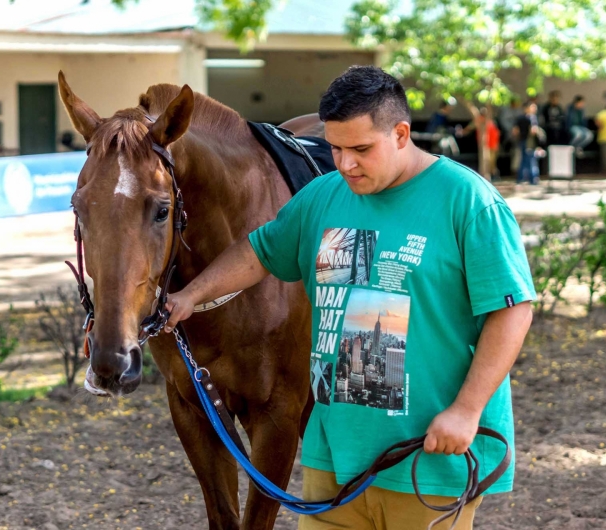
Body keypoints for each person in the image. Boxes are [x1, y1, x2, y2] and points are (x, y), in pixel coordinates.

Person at [163, 66, 534, 530]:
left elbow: (512, 309)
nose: (345, 164)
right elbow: (259, 252)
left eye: (361, 149)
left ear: (401, 134)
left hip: (426, 460)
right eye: (336, 148)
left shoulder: (467, 201)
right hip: (332, 455)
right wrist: (190, 295)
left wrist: (466, 411)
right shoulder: (324, 196)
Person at [514, 101, 543, 185]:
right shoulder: (532, 118)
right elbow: (533, 131)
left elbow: (515, 131)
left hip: (522, 141)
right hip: (529, 142)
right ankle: (533, 179)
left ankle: (520, 178)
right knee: (531, 159)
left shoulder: (520, 118)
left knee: (524, 159)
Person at [498, 98, 524, 175]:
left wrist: (517, 130)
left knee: (518, 151)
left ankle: (515, 170)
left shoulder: (519, 112)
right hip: (506, 135)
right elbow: (503, 122)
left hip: (518, 136)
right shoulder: (506, 111)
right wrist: (511, 129)